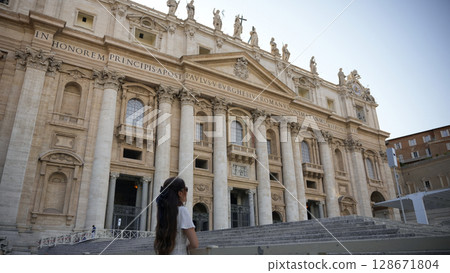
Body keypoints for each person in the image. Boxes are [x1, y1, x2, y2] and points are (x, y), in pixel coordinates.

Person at [154, 177, 198, 255]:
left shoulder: (162, 212)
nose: (187, 192)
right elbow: (194, 244)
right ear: (180, 193)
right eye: (186, 189)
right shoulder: (182, 211)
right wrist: (186, 248)